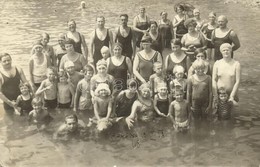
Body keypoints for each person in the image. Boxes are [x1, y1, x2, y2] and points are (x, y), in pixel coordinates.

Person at [0, 53, 29, 119]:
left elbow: (26, 82)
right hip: (8, 101)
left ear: (11, 60)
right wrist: (10, 103)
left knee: (24, 116)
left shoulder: (18, 68)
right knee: (10, 119)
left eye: (8, 60)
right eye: (4, 61)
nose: (7, 62)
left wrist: (29, 92)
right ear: (0, 62)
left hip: (21, 98)